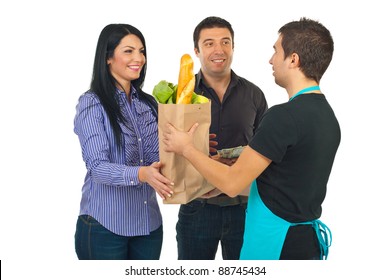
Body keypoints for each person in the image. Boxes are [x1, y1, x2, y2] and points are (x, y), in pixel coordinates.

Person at [163, 17, 341, 260]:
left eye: (276, 51)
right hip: (304, 242)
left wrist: (187, 149)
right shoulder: (327, 115)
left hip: (276, 245)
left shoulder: (283, 116)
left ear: (293, 59)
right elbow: (281, 182)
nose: (271, 59)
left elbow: (233, 183)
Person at [73, 23, 174, 260]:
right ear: (108, 57)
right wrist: (141, 174)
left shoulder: (148, 104)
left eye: (141, 51)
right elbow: (97, 168)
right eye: (128, 51)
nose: (138, 58)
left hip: (149, 226)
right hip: (104, 227)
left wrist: (190, 148)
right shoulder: (92, 103)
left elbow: (156, 160)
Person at [175, 16, 268, 260]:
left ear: (233, 47)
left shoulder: (254, 95)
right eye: (209, 43)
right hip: (196, 208)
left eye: (225, 42)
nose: (219, 50)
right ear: (196, 50)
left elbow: (265, 153)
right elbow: (170, 149)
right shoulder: (181, 97)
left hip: (244, 208)